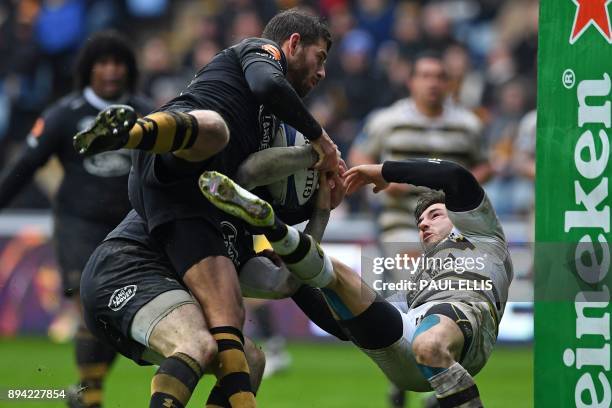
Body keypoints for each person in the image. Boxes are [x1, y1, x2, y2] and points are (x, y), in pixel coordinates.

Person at [79, 9, 341, 408]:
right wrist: (316, 144)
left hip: (178, 207)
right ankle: (129, 132)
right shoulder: (258, 52)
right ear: (293, 44)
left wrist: (322, 210)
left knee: (249, 357)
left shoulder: (228, 219)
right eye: (320, 58)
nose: (323, 72)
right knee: (201, 341)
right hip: (124, 267)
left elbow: (286, 282)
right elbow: (265, 99)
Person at [199, 157, 512, 408]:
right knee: (336, 274)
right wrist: (295, 274)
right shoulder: (420, 280)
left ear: (460, 216)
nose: (424, 225)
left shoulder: (483, 234)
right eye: (419, 223)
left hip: (463, 330)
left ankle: (274, 227)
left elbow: (454, 176)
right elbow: (342, 327)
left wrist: (383, 171)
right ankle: (271, 225)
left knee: (428, 342)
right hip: (412, 345)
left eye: (434, 215)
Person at [0, 31, 153, 408]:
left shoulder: (146, 114)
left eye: (118, 63)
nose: (111, 71)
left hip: (130, 231)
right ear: (88, 70)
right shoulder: (63, 115)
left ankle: (84, 392)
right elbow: (24, 167)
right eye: (103, 63)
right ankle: (91, 396)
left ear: (129, 70)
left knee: (113, 318)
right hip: (78, 227)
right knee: (91, 307)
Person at [349, 52, 490, 406]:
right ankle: (420, 372)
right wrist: (381, 179)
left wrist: (458, 191)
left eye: (440, 76)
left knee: (448, 297)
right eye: (425, 75)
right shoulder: (388, 121)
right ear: (411, 81)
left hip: (453, 228)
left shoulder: (467, 124)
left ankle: (430, 370)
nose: (433, 83)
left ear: (449, 83)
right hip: (401, 222)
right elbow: (358, 156)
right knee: (416, 286)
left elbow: (484, 166)